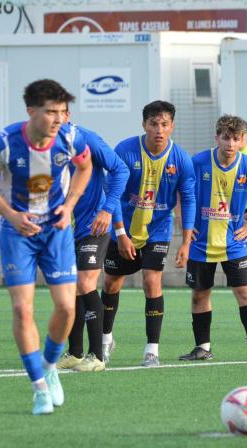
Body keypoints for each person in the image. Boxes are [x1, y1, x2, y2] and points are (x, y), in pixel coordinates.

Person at [0, 79, 93, 415]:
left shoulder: (70, 137)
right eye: (50, 112)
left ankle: (50, 366)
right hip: (17, 234)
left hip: (56, 231)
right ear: (31, 111)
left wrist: (69, 206)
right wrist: (12, 216)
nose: (58, 119)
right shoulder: (4, 143)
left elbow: (84, 167)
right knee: (22, 310)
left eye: (62, 112)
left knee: (67, 308)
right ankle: (39, 388)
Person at [101, 100, 196, 368]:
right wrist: (120, 234)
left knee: (152, 281)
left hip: (158, 230)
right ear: (144, 125)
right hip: (123, 227)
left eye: (164, 124)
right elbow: (112, 193)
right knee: (112, 283)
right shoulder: (125, 150)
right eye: (153, 124)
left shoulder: (181, 159)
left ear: (172, 126)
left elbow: (188, 199)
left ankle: (152, 350)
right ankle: (105, 339)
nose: (159, 129)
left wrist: (186, 242)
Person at [179, 115, 247, 362]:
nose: (230, 143)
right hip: (201, 243)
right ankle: (203, 348)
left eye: (236, 139)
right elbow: (181, 190)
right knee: (200, 295)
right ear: (217, 138)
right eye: (226, 138)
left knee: (245, 293)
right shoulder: (199, 162)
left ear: (243, 141)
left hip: (235, 243)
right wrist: (185, 224)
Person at [57, 112, 130, 373]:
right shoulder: (40, 144)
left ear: (67, 114)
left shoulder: (86, 138)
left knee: (86, 282)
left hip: (94, 224)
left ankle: (97, 356)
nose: (53, 117)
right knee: (71, 288)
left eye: (58, 111)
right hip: (65, 227)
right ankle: (76, 353)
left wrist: (108, 210)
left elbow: (120, 170)